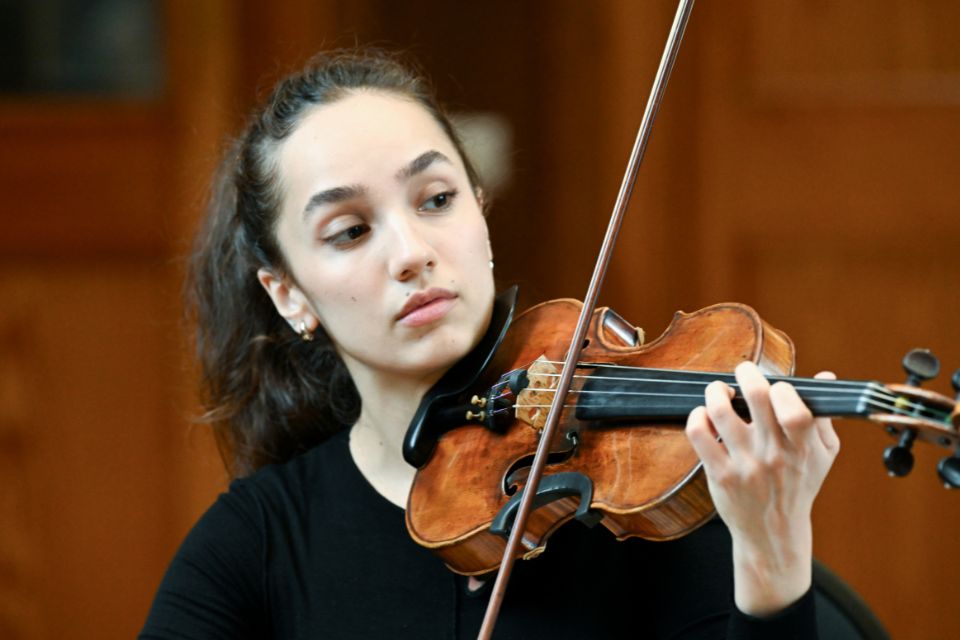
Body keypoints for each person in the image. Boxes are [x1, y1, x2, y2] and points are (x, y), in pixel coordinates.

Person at [139, 49, 840, 639]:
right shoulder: (254, 546)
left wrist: (772, 557)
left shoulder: (644, 507)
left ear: (479, 206)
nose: (411, 252)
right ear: (288, 294)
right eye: (351, 231)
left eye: (436, 199)